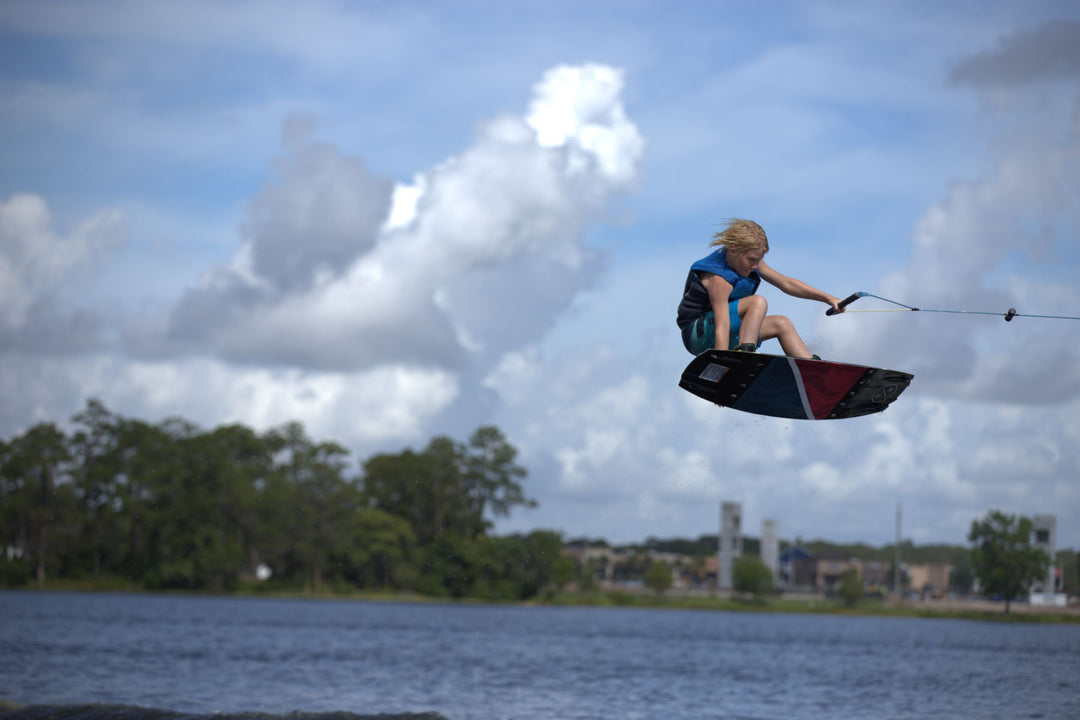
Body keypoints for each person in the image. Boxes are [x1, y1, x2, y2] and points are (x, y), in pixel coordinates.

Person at [677, 219, 843, 359]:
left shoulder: (748, 261)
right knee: (757, 302)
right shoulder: (719, 279)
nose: (756, 266)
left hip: (724, 332)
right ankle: (744, 353)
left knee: (782, 323)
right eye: (751, 259)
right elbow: (722, 327)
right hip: (698, 336)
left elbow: (786, 283)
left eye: (759, 260)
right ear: (733, 251)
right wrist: (720, 365)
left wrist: (829, 298)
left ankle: (810, 371)